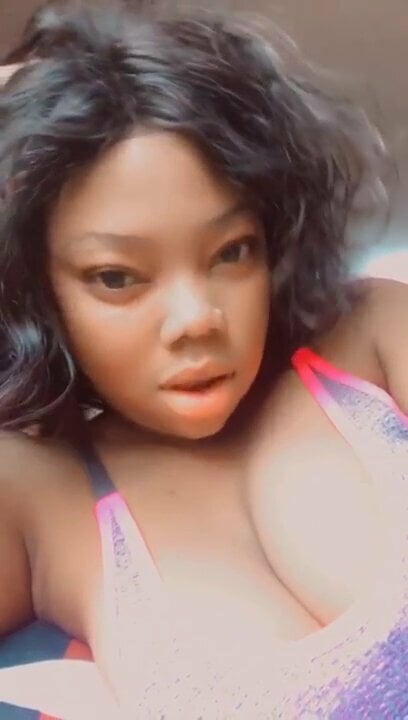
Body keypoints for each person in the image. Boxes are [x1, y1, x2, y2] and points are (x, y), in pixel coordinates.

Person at [0, 1, 407, 718]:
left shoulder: (372, 331)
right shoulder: (41, 495)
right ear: (36, 289)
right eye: (117, 277)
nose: (196, 320)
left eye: (231, 252)